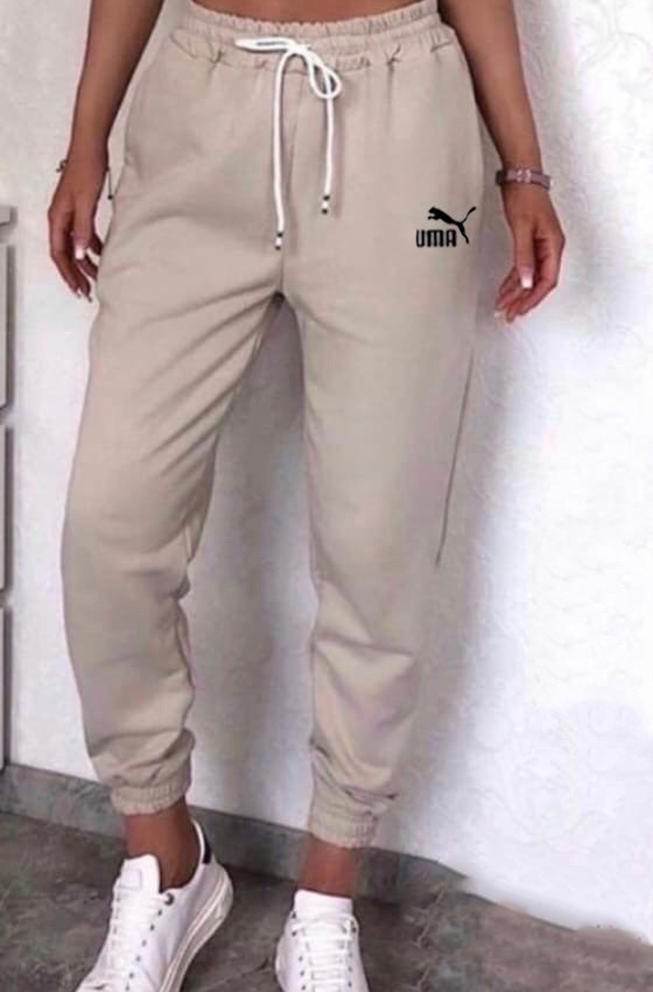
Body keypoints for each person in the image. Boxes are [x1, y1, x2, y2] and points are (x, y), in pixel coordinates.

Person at [49, 0, 565, 988]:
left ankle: (326, 899)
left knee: (380, 541)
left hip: (403, 135)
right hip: (196, 119)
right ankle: (165, 861)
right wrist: (85, 144)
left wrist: (524, 170)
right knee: (111, 524)